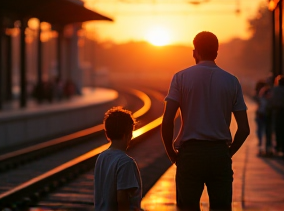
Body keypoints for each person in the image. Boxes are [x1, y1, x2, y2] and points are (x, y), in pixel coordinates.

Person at [161, 31, 250, 211]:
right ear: (216, 53)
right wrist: (227, 153)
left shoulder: (181, 78)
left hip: (190, 155)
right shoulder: (232, 81)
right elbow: (244, 129)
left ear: (195, 52)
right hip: (219, 155)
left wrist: (171, 152)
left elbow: (168, 119)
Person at [94, 106, 142, 211]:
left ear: (107, 134)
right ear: (128, 134)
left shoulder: (101, 157)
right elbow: (122, 199)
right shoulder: (125, 162)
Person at [269, 75, 284, 156]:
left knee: (277, 129)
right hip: (282, 110)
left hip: (276, 111)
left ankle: (278, 147)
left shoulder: (275, 90)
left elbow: (271, 100)